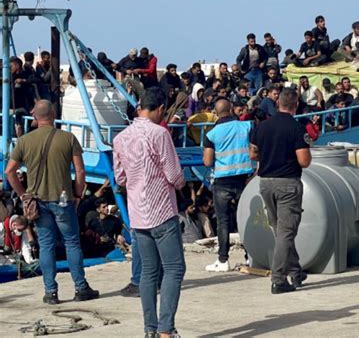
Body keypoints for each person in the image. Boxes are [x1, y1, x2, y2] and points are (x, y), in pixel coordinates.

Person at [5, 100, 99, 304]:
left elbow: (9, 171)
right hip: (64, 200)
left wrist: (22, 194)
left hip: (38, 203)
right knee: (72, 243)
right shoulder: (68, 138)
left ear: (35, 117)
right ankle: (81, 288)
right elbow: (80, 171)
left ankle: (50, 292)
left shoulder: (24, 141)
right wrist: (77, 194)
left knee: (46, 245)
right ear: (54, 114)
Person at [114, 87, 186, 338]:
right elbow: (174, 175)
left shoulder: (120, 138)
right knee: (174, 269)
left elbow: (120, 177)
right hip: (162, 211)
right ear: (160, 109)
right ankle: (166, 329)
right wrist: (181, 184)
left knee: (148, 272)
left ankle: (150, 329)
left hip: (138, 213)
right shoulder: (160, 134)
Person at [250, 88, 311, 294]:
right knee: (286, 232)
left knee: (280, 231)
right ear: (295, 106)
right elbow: (304, 161)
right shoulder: (296, 128)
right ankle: (278, 279)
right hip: (288, 184)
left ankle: (295, 271)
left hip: (266, 183)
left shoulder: (262, 126)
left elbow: (253, 153)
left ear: (278, 104)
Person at [203, 99, 254, 272]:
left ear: (215, 113)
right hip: (243, 179)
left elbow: (208, 161)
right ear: (232, 109)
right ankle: (250, 257)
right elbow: (255, 151)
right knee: (245, 220)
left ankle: (223, 260)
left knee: (223, 222)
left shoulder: (211, 134)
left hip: (222, 181)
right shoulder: (247, 126)